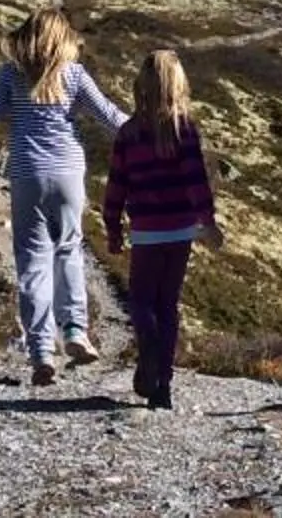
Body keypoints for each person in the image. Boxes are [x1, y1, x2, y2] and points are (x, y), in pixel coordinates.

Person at [0, 8, 126, 385]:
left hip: (28, 173)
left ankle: (41, 349)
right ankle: (76, 331)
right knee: (69, 249)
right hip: (67, 173)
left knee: (32, 261)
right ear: (64, 39)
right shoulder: (75, 75)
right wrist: (157, 135)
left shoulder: (11, 75)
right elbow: (110, 115)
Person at [101, 47, 223, 409]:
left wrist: (112, 228)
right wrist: (208, 221)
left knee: (141, 300)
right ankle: (163, 387)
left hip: (146, 231)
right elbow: (196, 181)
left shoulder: (129, 133)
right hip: (180, 231)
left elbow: (116, 186)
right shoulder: (184, 129)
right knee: (168, 303)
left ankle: (149, 349)